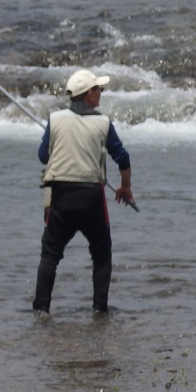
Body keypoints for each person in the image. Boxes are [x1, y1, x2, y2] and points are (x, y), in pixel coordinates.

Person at [33, 68, 135, 314]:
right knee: (101, 255)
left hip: (60, 197)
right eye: (99, 89)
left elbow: (43, 156)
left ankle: (41, 310)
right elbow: (122, 158)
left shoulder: (56, 120)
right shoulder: (103, 123)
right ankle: (100, 310)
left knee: (50, 255)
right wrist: (125, 188)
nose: (101, 93)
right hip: (91, 198)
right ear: (89, 94)